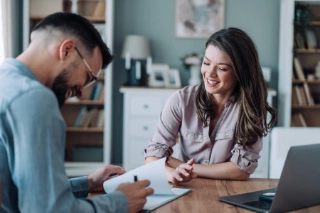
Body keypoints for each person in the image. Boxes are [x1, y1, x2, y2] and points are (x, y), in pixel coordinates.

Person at [0, 12, 153, 213]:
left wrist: (87, 184)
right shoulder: (35, 98)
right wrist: (122, 201)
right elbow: (48, 209)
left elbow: (22, 195)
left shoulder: (6, 80)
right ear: (67, 50)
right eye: (88, 77)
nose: (81, 92)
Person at [145, 27, 276, 184]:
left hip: (229, 191)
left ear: (240, 72)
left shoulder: (250, 109)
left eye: (222, 68)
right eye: (206, 63)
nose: (210, 73)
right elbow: (153, 157)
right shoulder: (180, 101)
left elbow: (241, 171)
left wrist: (180, 165)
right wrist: (170, 174)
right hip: (188, 187)